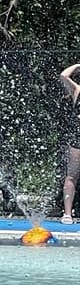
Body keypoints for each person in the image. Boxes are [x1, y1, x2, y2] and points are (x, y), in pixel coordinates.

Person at [60, 64, 80, 224]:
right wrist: (78, 65)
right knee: (71, 175)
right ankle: (67, 214)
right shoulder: (77, 90)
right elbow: (63, 76)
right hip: (78, 138)